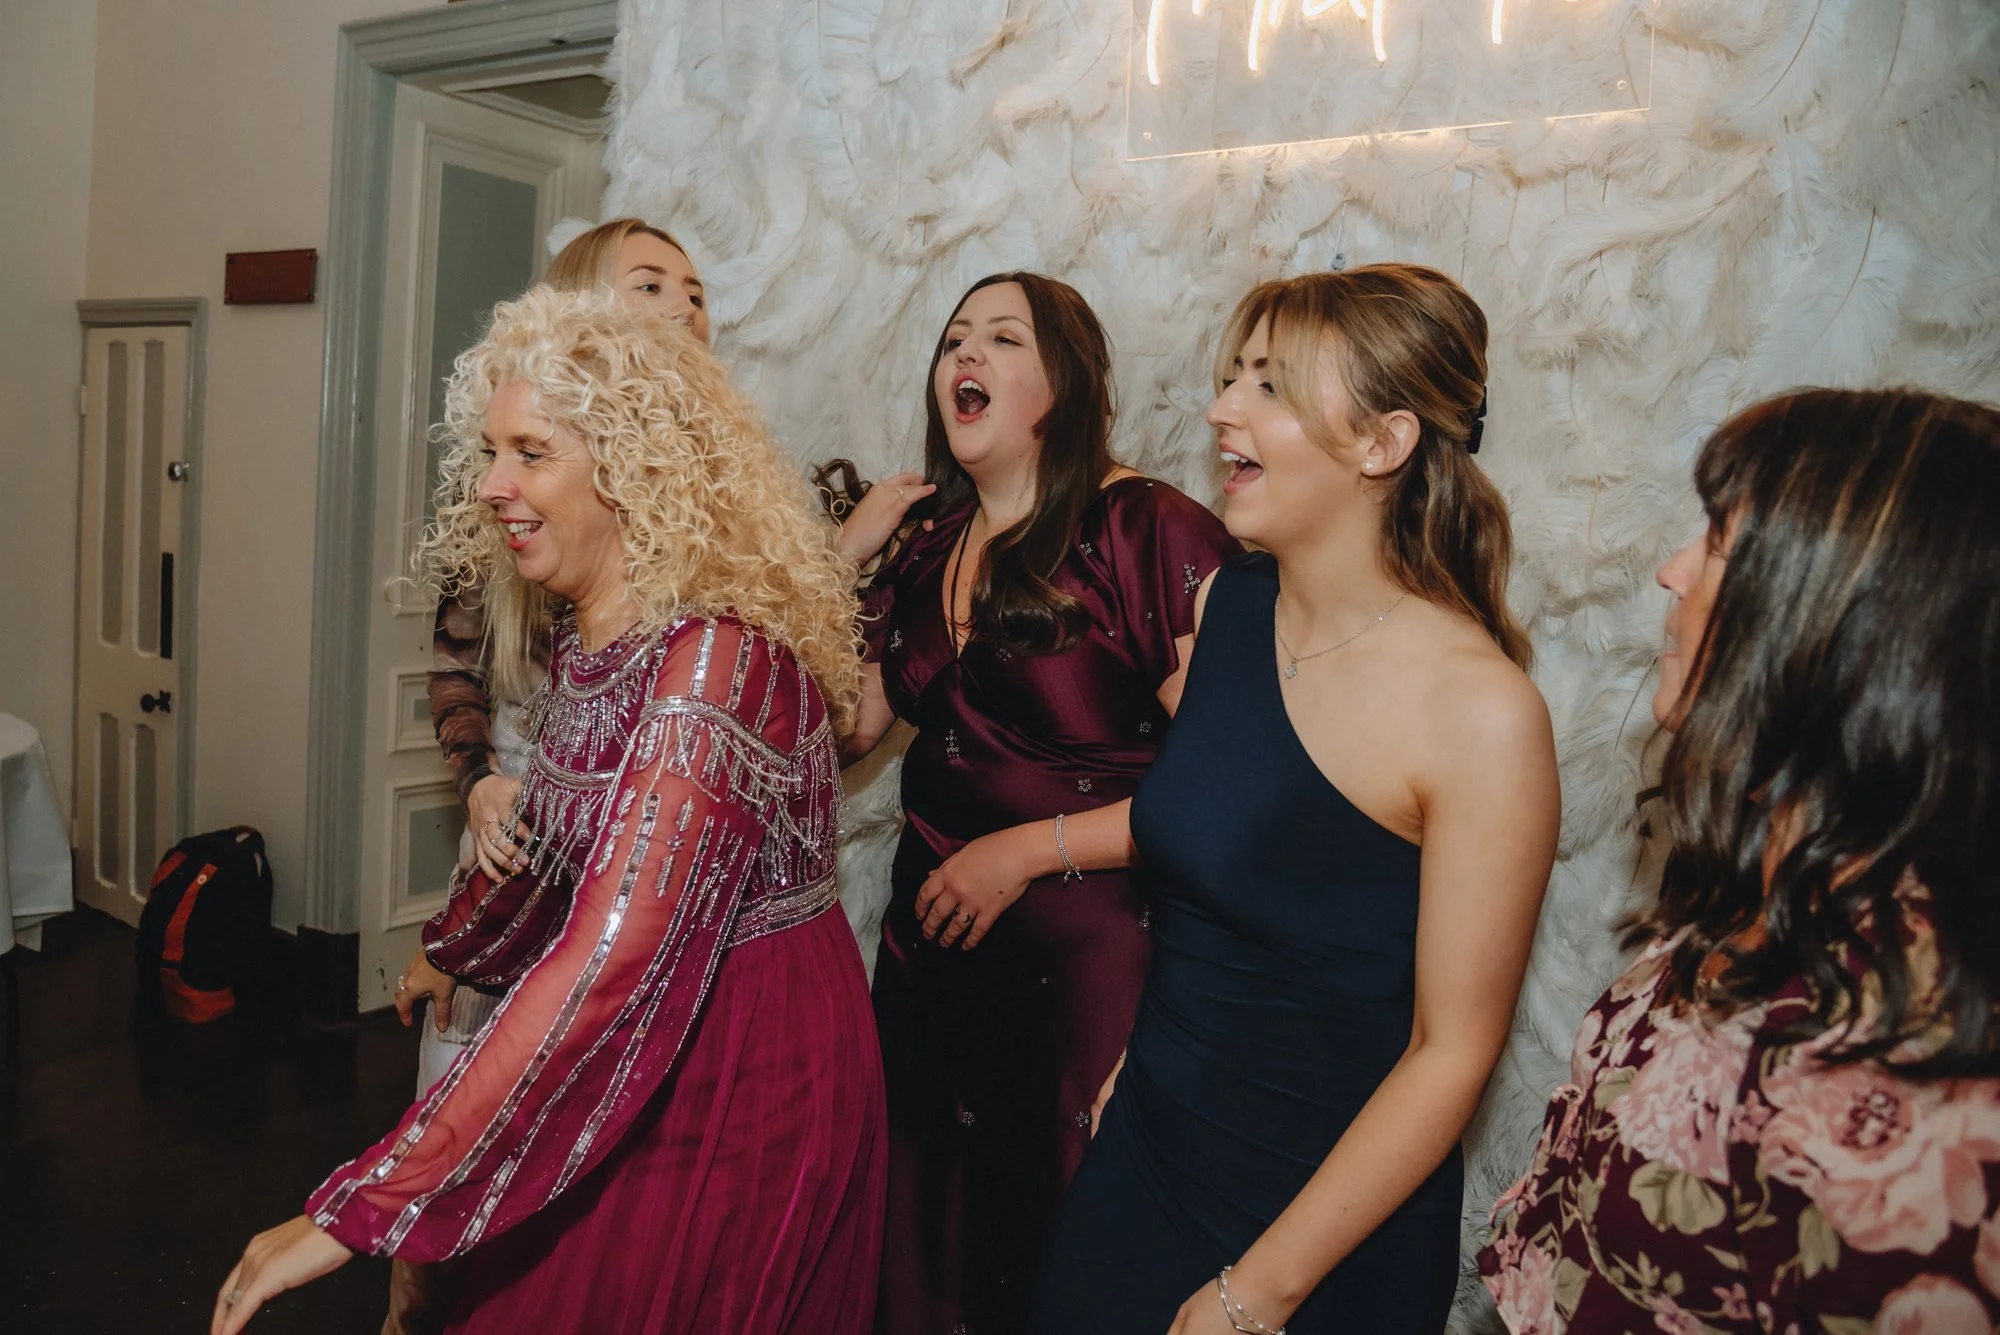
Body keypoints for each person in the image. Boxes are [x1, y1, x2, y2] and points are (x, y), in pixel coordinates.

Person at [210, 288, 885, 1335]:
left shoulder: (715, 664)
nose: (490, 486)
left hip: (742, 1062)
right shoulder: (597, 633)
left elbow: (618, 950)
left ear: (631, 468)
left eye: (529, 452)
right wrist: (459, 946)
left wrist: (360, 1209)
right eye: (491, 452)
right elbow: (567, 852)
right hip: (642, 1023)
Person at [1029, 264, 1561, 1334]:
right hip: (1143, 1156)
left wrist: (1254, 1295)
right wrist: (1138, 1066)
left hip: (1323, 1234)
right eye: (1233, 378)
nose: (1222, 408)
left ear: (1382, 442)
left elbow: (1450, 1051)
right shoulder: (1229, 605)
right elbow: (1216, 862)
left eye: (1268, 386)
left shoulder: (1480, 712)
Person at [1480, 389, 2000, 1333]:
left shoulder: (1911, 1085)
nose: (1672, 572)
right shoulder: (1779, 886)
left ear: (1844, 618)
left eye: (1718, 540)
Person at [836, 272, 1240, 1335]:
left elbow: (1231, 783)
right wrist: (835, 566)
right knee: (927, 1251)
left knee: (1061, 1248)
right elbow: (844, 737)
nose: (963, 356)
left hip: (1092, 967)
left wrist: (1024, 851)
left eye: (1001, 339)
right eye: (953, 340)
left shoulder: (1145, 528)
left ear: (1061, 384)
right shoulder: (928, 543)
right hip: (932, 960)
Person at [384, 216, 714, 1335]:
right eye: (650, 285)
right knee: (459, 1138)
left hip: (634, 880)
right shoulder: (515, 500)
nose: (682, 307)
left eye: (694, 290)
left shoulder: (717, 513)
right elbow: (454, 664)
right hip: (518, 853)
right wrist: (477, 780)